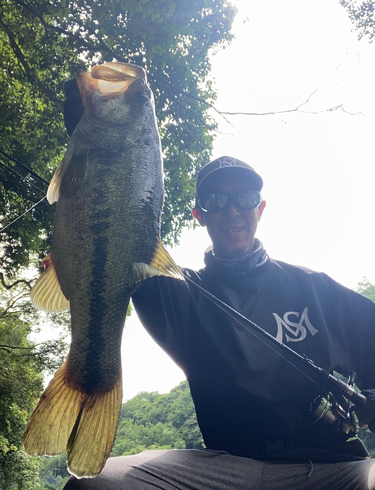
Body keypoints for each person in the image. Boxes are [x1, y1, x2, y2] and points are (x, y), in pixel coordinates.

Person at [64, 157, 375, 489]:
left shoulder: (313, 286)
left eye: (244, 198)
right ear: (200, 215)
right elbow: (120, 235)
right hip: (225, 469)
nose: (232, 210)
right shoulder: (177, 291)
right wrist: (94, 147)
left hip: (331, 466)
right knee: (95, 485)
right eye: (216, 201)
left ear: (260, 208)